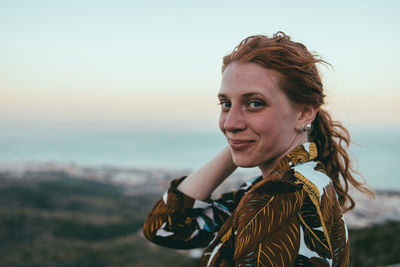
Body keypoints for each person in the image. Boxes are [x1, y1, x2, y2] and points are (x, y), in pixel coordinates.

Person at [142, 31, 373, 266]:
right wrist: (240, 143)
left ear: (304, 113)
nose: (230, 122)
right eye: (226, 104)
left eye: (255, 103)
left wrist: (245, 138)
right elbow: (165, 227)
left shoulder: (281, 197)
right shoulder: (280, 186)